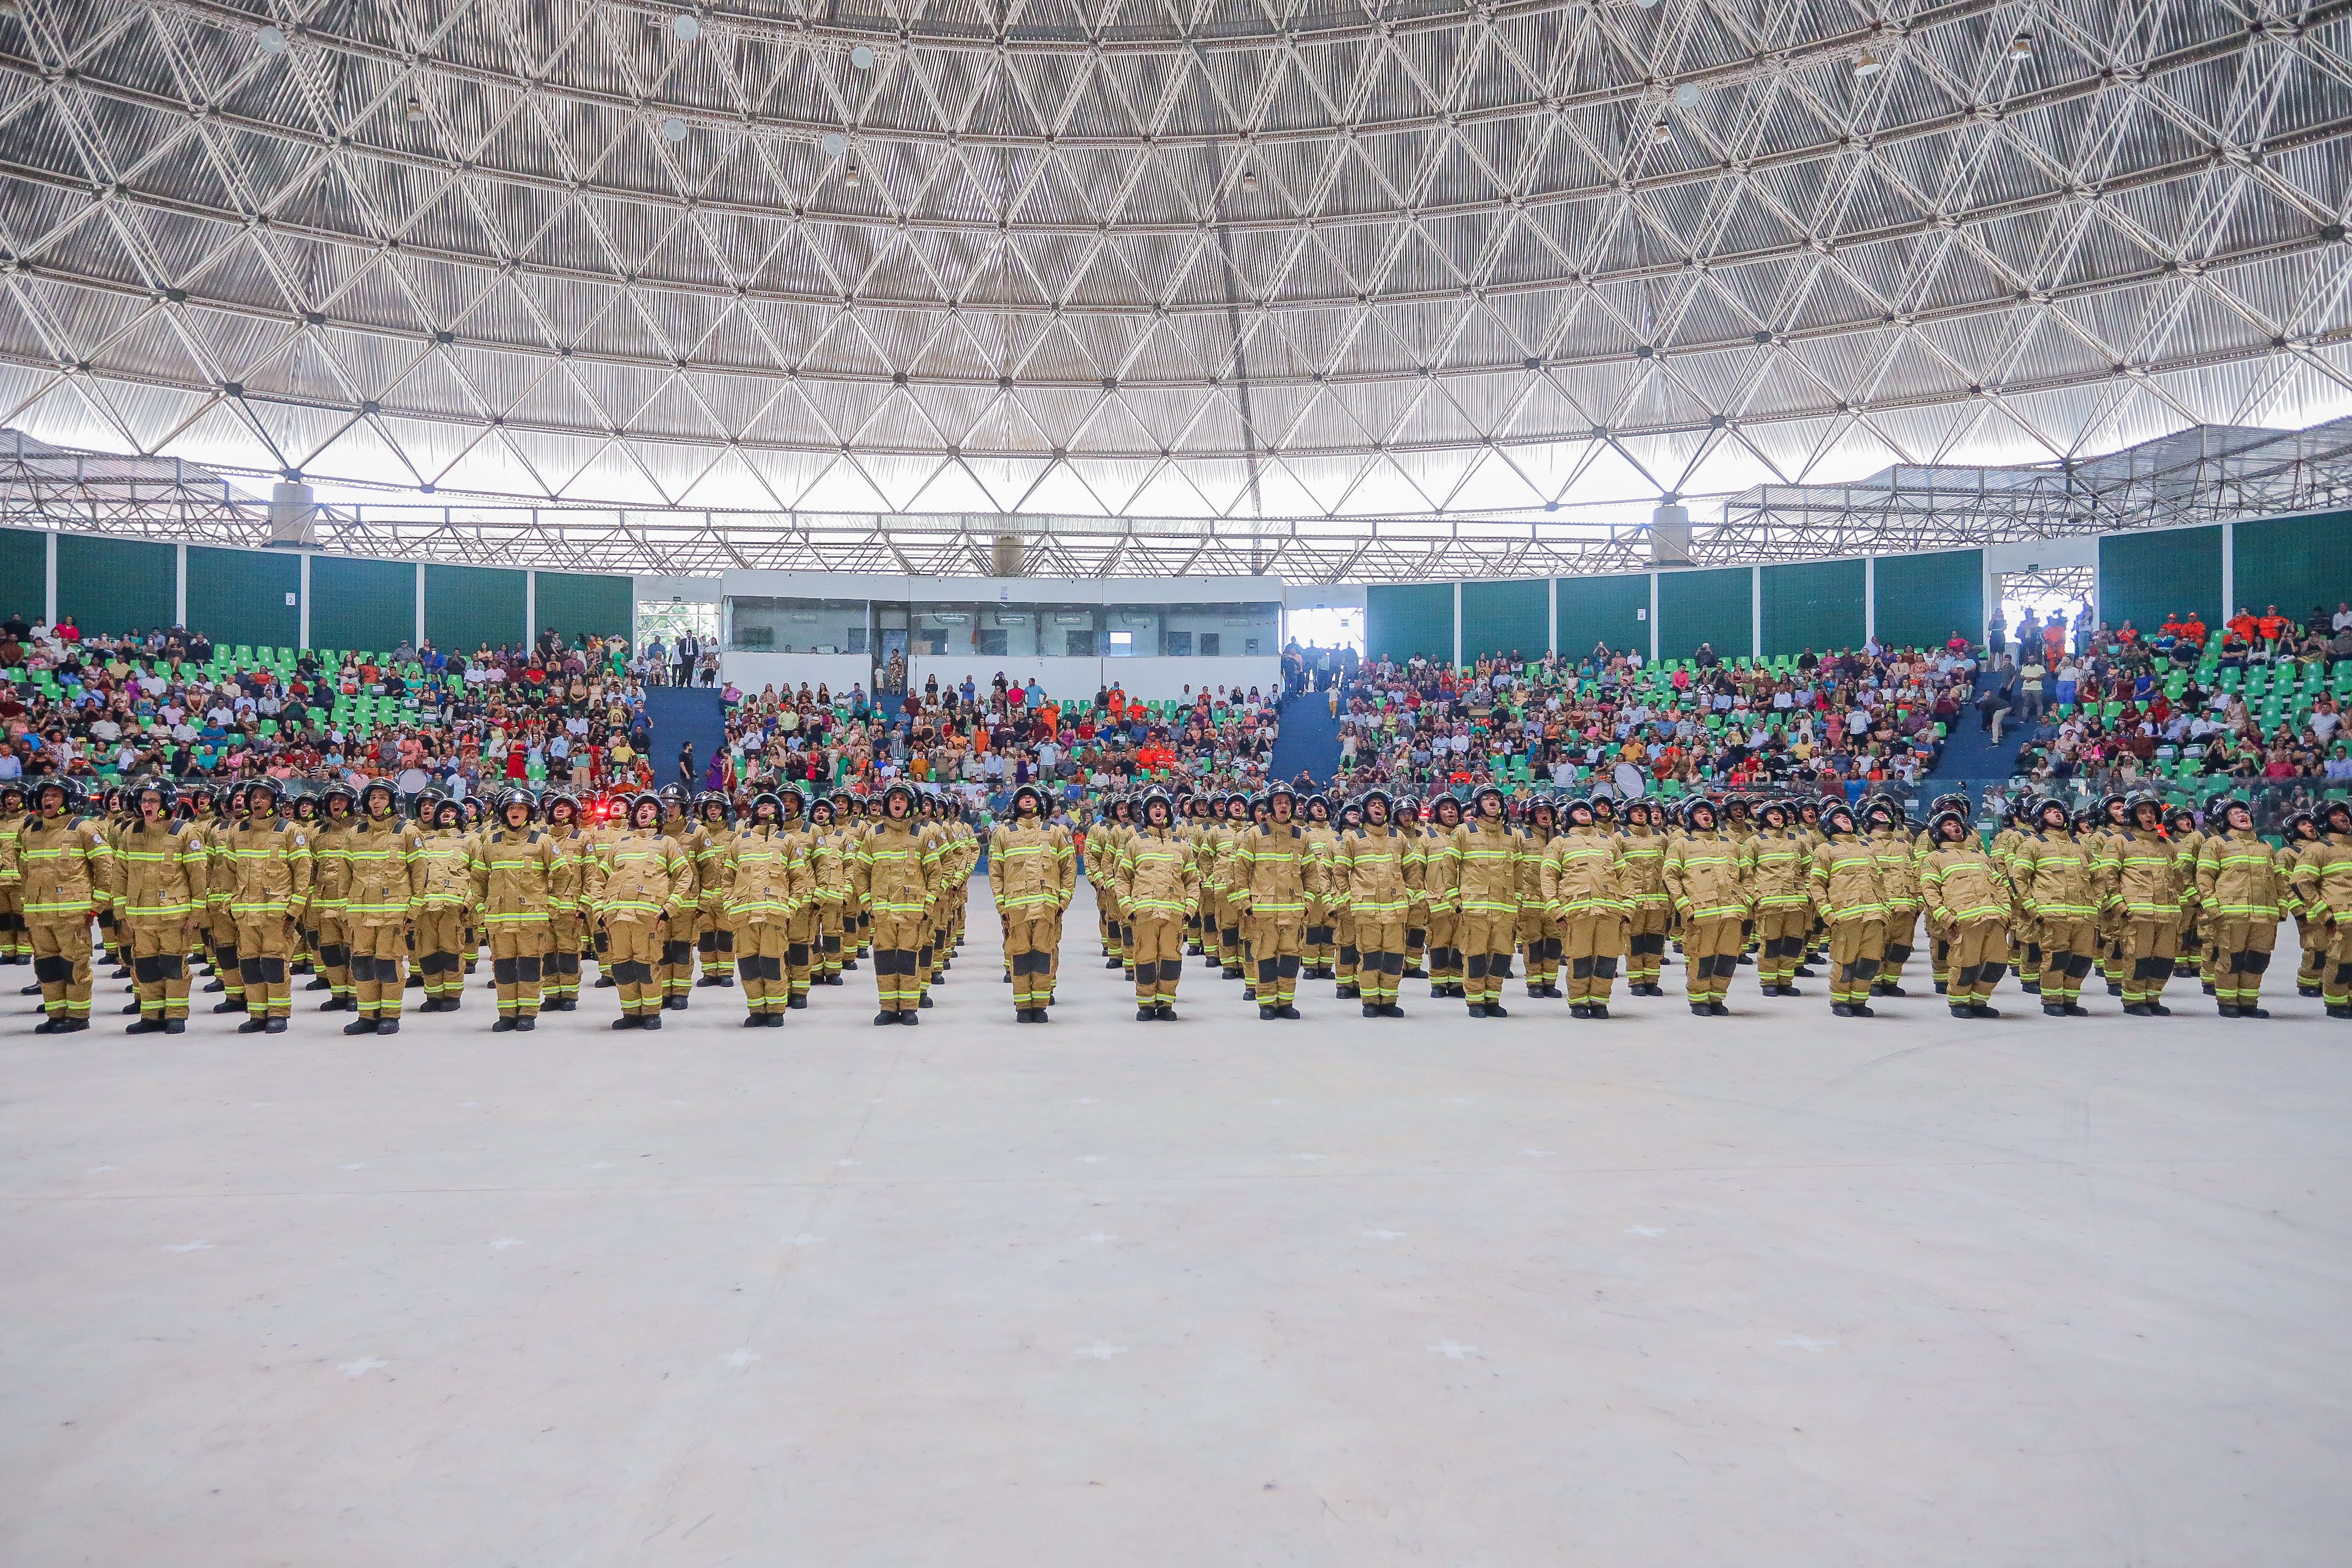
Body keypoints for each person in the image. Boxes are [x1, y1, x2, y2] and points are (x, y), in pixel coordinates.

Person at [590, 792, 692, 1030]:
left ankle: (651, 1012)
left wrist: (669, 909)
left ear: (659, 816)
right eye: (641, 808)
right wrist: (599, 912)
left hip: (649, 918)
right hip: (617, 918)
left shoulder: (667, 843)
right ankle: (630, 1012)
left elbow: (685, 877)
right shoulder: (619, 845)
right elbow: (598, 880)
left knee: (646, 966)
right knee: (622, 966)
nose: (644, 811)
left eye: (651, 809)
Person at [224, 779, 311, 1033]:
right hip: (245, 913)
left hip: (277, 914)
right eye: (254, 797)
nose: (257, 802)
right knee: (250, 965)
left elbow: (303, 873)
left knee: (274, 964)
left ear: (275, 801)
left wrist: (294, 909)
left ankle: (278, 1013)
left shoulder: (290, 831)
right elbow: (228, 871)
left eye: (263, 797)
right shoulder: (238, 831)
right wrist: (231, 902)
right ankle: (257, 1013)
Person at [473, 788, 565, 1030]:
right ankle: (507, 1013)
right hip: (499, 919)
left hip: (531, 919)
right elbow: (478, 878)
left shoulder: (542, 841)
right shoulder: (490, 842)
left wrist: (552, 906)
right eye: (512, 809)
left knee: (529, 965)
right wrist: (483, 908)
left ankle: (527, 1012)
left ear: (529, 813)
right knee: (502, 966)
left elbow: (564, 875)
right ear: (504, 812)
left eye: (521, 809)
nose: (516, 813)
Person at [723, 791, 810, 1027]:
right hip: (744, 916)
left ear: (778, 812)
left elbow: (799, 880)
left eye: (771, 805)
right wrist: (730, 906)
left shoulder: (787, 841)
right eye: (761, 804)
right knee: (748, 964)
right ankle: (756, 1009)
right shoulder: (740, 842)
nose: (765, 807)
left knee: (772, 963)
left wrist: (789, 908)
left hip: (774, 915)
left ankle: (776, 1010)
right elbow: (727, 878)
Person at [853, 781, 937, 1024]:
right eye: (893, 799)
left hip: (912, 915)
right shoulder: (874, 835)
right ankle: (888, 1007)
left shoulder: (923, 835)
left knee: (909, 960)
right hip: (883, 914)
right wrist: (868, 905)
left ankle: (910, 1007)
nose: (897, 803)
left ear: (909, 805)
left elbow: (935, 873)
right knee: (885, 960)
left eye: (902, 799)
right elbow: (861, 873)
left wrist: (927, 906)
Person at [1232, 784, 1317, 1020]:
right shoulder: (1255, 835)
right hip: (1263, 912)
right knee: (1265, 957)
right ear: (1271, 806)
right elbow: (1239, 872)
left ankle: (1286, 1002)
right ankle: (1267, 1002)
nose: (1283, 806)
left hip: (1293, 912)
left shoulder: (1301, 836)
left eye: (1287, 803)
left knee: (1290, 957)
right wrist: (1246, 903)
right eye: (1278, 802)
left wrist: (1307, 904)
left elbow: (1311, 874)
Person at [2198, 797, 2286, 1019]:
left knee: (2257, 961)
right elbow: (2204, 879)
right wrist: (2213, 910)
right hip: (2230, 915)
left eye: (2243, 811)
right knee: (2231, 958)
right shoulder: (2216, 844)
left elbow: (2279, 881)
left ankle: (2248, 1001)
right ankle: (2227, 1001)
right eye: (2234, 813)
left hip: (2264, 917)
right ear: (2224, 820)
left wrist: (2281, 910)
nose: (2242, 815)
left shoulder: (2266, 847)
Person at [992, 783, 1074, 1022]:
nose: (1028, 800)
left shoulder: (1056, 833)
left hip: (1047, 909)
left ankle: (1040, 1005)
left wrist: (1063, 902)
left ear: (1039, 803)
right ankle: (1022, 1006)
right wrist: (1001, 905)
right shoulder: (1004, 834)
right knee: (1019, 956)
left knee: (1042, 955)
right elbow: (996, 873)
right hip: (1016, 909)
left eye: (1032, 797)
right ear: (1016, 803)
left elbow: (1068, 870)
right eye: (1023, 797)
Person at [2012, 798, 2100, 1017]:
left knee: (2082, 961)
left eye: (2059, 810)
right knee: (2056, 959)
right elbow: (2019, 878)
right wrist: (2034, 909)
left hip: (2084, 916)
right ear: (2040, 819)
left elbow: (2099, 877)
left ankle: (2070, 999)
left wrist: (2095, 903)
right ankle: (2052, 1000)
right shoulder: (2033, 844)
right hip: (2053, 915)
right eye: (2050, 811)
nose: (2057, 814)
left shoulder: (2081, 845)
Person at [1920, 806, 2010, 1019]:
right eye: (1949, 825)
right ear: (1939, 833)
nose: (1955, 827)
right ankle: (1959, 1001)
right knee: (1965, 964)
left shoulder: (1979, 856)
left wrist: (2005, 912)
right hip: (1964, 920)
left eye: (1957, 824)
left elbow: (1999, 884)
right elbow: (1930, 891)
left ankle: (1979, 1000)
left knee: (1996, 964)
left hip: (1993, 917)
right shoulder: (1935, 858)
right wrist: (1946, 918)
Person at [1664, 796, 1752, 1016]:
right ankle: (1698, 999)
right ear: (1690, 819)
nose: (1705, 815)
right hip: (1701, 914)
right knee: (1701, 958)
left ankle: (1717, 998)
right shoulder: (1682, 844)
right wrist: (1686, 909)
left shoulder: (1731, 845)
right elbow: (1670, 878)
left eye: (1708, 812)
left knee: (1727, 959)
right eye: (1699, 812)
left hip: (1732, 913)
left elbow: (1748, 877)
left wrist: (1745, 903)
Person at [1112, 791, 1190, 1021]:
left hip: (1173, 916)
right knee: (1144, 958)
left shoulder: (1181, 846)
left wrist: (1188, 911)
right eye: (1154, 807)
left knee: (1171, 959)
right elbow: (1123, 879)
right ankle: (1146, 1004)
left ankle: (1166, 1003)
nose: (1158, 810)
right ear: (1146, 813)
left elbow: (1192, 881)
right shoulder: (1135, 843)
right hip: (1144, 915)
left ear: (1168, 812)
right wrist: (1129, 909)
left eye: (1162, 807)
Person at [1809, 799, 1886, 1017]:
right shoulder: (1825, 850)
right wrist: (1828, 914)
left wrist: (1885, 909)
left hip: (1874, 914)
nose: (1844, 819)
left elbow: (1879, 881)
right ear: (1830, 825)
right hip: (1846, 916)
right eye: (1837, 818)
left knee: (1870, 962)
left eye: (1846, 816)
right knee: (1845, 961)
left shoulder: (1866, 846)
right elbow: (1817, 886)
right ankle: (1840, 1000)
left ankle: (1859, 1000)